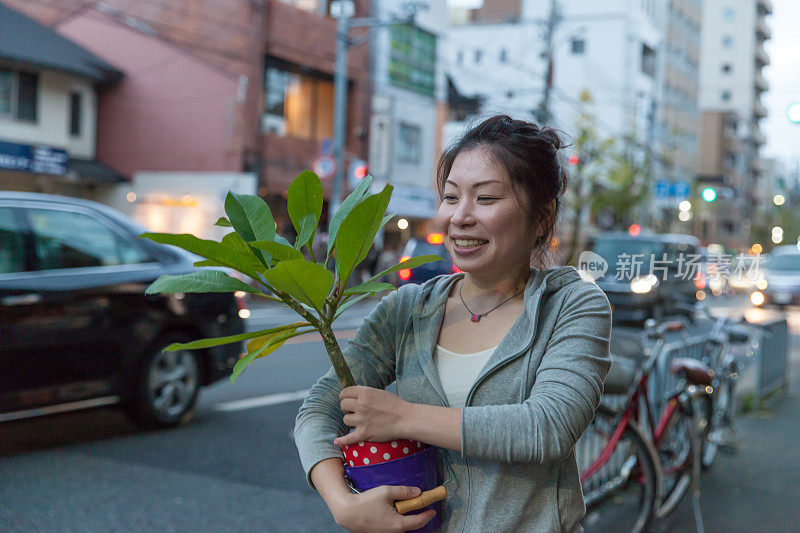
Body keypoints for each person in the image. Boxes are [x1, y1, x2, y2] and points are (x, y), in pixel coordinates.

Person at [294, 115, 612, 532]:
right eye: (450, 197)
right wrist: (342, 503)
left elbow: (547, 426)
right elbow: (319, 408)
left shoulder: (573, 305)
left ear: (541, 216)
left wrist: (404, 416)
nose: (459, 217)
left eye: (486, 198)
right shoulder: (407, 309)